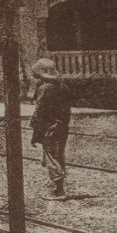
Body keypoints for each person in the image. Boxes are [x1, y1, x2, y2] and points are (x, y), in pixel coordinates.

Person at [28, 57, 72, 200]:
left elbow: (39, 111)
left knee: (51, 157)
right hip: (62, 126)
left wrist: (35, 133)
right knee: (59, 155)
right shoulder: (63, 87)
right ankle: (59, 188)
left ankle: (59, 191)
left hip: (49, 127)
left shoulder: (44, 89)